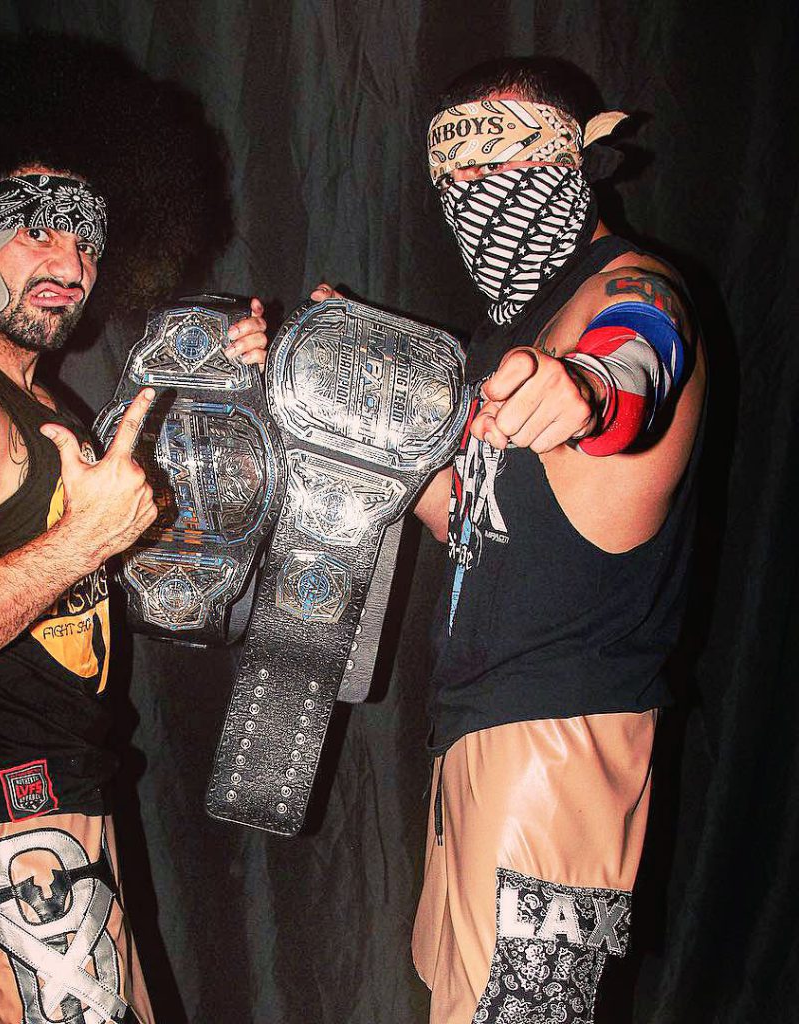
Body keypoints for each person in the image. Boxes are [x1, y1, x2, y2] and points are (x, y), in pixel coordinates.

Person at [0, 40, 268, 1024]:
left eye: (90, 239)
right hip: (2, 823)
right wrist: (82, 540)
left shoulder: (32, 403)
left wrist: (242, 396)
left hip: (40, 806)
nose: (71, 265)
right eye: (33, 232)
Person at [313, 56, 705, 1023]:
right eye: (456, 172)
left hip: (559, 748)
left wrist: (592, 389)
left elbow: (643, 350)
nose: (476, 189)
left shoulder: (630, 287)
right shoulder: (512, 341)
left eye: (501, 161)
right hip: (485, 737)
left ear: (579, 159)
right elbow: (471, 522)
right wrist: (360, 398)